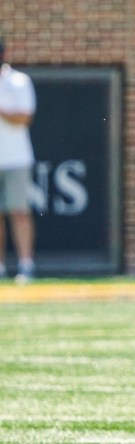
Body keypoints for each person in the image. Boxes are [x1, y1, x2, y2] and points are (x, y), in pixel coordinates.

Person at [0, 38, 37, 283]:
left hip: (16, 159)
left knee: (19, 211)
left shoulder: (19, 81)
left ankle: (26, 265)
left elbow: (23, 118)